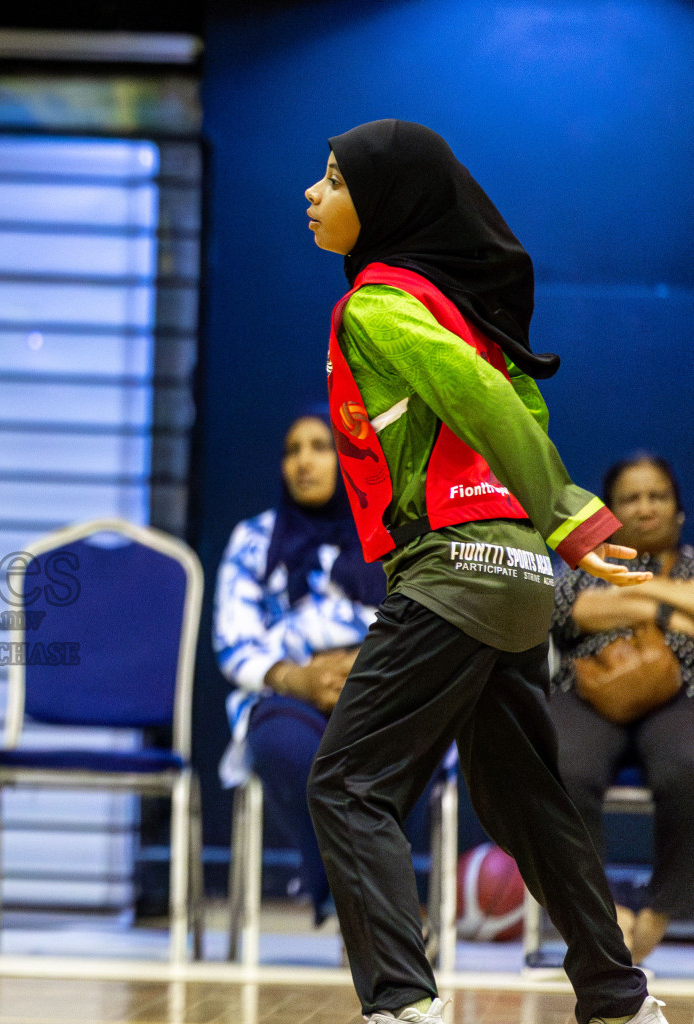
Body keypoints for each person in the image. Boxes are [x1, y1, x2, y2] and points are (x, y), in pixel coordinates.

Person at [303, 118, 665, 1024]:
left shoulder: (377, 305)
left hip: (455, 571)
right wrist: (544, 527)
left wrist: (565, 507)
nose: (312, 194)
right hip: (516, 583)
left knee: (346, 785)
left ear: (384, 203)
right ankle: (619, 999)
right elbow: (515, 403)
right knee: (525, 798)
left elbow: (485, 400)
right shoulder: (463, 311)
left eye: (334, 180)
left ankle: (402, 1004)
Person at [215, 410, 385, 925]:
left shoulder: (390, 532)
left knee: (398, 743)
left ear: (350, 456)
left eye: (320, 446)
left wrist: (361, 666)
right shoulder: (253, 539)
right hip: (289, 692)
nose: (303, 461)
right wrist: (299, 678)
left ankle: (377, 907)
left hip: (380, 684)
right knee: (282, 745)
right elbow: (233, 641)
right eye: (292, 450)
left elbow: (423, 619)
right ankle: (347, 898)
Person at [552, 453, 694, 964]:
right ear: (609, 514)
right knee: (560, 766)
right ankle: (603, 915)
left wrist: (633, 595)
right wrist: (668, 608)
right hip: (585, 692)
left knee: (691, 764)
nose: (646, 507)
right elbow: (575, 608)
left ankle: (660, 910)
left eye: (657, 496)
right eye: (631, 498)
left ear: (679, 512)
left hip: (680, 697)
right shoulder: (587, 563)